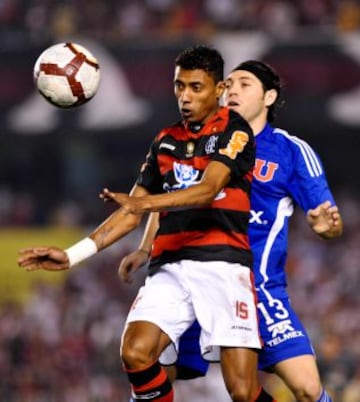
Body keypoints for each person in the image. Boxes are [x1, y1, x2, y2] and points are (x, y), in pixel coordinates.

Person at [18, 45, 266, 402]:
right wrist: (73, 256)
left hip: (222, 264)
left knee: (242, 391)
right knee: (135, 353)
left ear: (220, 88)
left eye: (196, 87)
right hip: (171, 265)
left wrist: (144, 202)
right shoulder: (166, 140)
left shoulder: (235, 130)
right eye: (179, 86)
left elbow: (207, 189)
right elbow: (131, 211)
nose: (185, 96)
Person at [118, 60, 343, 402]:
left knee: (307, 389)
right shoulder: (198, 139)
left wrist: (325, 227)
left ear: (269, 97)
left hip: (258, 288)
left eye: (245, 84)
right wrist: (146, 247)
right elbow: (169, 195)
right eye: (229, 84)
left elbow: (325, 217)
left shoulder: (291, 151)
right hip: (195, 273)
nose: (232, 90)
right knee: (146, 370)